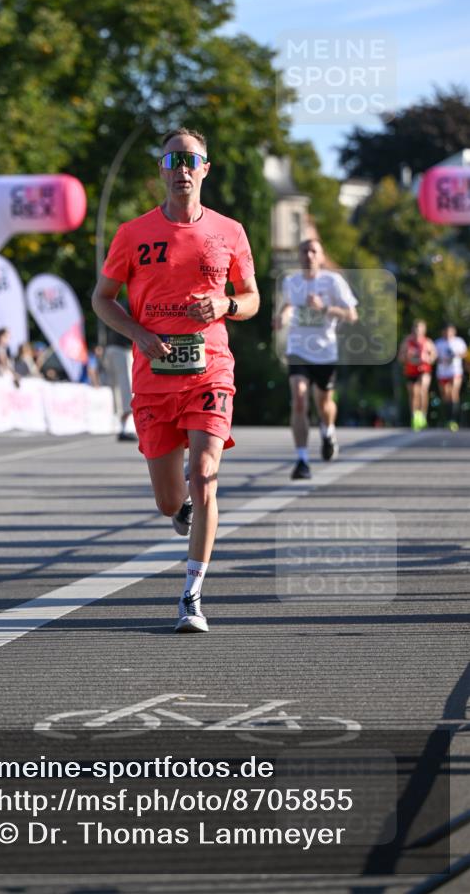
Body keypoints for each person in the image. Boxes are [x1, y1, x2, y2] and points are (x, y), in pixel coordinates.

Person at [92, 127, 259, 633]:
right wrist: (137, 333)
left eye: (191, 159)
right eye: (172, 160)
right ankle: (180, 506)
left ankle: (192, 593)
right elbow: (103, 298)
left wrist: (226, 304)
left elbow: (251, 298)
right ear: (161, 170)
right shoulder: (132, 233)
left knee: (206, 473)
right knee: (170, 500)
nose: (182, 168)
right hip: (153, 379)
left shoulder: (229, 232)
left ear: (206, 168)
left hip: (211, 368)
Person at [276, 238, 358, 480]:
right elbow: (289, 306)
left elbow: (352, 315)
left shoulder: (333, 281)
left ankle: (328, 431)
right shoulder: (292, 281)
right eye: (304, 251)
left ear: (321, 256)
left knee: (324, 404)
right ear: (299, 256)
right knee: (299, 399)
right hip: (298, 349)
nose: (309, 255)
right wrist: (282, 316)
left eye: (314, 251)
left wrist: (324, 308)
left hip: (325, 351)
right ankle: (302, 460)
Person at [104, 311, 138, 441]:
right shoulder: (135, 301)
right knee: (127, 387)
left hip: (112, 348)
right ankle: (127, 427)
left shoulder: (120, 302)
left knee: (118, 389)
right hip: (122, 349)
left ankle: (122, 426)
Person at [398, 320, 437, 430]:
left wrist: (427, 358)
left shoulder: (427, 341)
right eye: (416, 328)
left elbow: (434, 356)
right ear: (412, 329)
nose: (417, 331)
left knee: (423, 390)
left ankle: (423, 416)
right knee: (414, 394)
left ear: (424, 330)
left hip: (424, 369)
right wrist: (407, 357)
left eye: (420, 328)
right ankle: (415, 416)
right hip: (411, 371)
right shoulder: (407, 341)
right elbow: (400, 357)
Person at [434, 324, 466, 431]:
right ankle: (448, 419)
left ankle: (454, 419)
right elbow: (434, 357)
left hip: (455, 371)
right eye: (446, 332)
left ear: (454, 332)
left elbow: (464, 354)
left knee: (454, 393)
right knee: (446, 395)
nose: (448, 334)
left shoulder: (459, 341)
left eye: (450, 331)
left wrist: (456, 355)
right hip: (443, 373)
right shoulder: (438, 343)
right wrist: (442, 359)